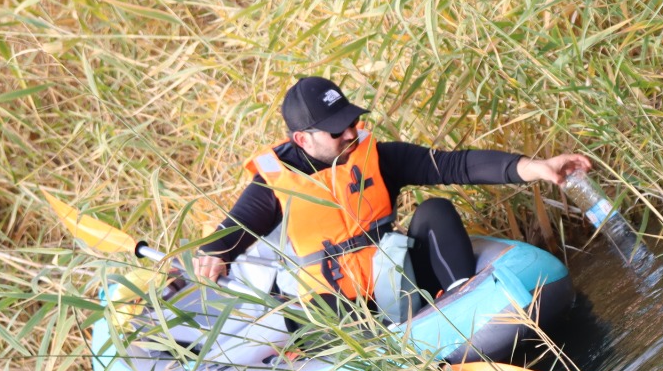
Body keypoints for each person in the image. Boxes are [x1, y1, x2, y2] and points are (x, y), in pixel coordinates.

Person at [192, 76, 590, 309]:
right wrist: (212, 256)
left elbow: (456, 165)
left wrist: (535, 168)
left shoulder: (376, 157)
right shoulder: (273, 186)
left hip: (394, 281)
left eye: (351, 121)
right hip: (337, 305)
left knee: (435, 210)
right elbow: (228, 236)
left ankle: (464, 307)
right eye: (336, 130)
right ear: (302, 138)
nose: (350, 133)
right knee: (316, 312)